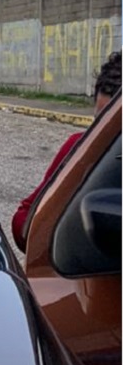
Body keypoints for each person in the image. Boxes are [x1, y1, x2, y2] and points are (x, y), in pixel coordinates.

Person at [11, 50, 121, 252]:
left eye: (113, 134)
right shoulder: (81, 148)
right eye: (96, 124)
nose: (100, 139)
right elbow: (26, 222)